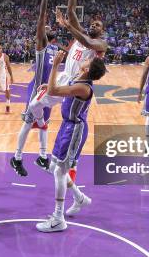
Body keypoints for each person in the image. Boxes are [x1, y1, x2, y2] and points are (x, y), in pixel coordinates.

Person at [25, 0, 107, 171]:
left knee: (71, 123)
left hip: (77, 84)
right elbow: (70, 13)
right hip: (64, 78)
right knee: (34, 104)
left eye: (98, 24)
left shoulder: (101, 44)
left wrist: (68, 26)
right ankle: (42, 125)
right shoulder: (81, 33)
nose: (94, 25)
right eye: (93, 23)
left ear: (102, 30)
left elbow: (87, 42)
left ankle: (69, 165)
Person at [36, 51, 106, 233]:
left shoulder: (84, 88)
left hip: (74, 129)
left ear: (88, 68)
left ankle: (58, 218)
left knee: (60, 171)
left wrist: (55, 65)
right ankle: (79, 197)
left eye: (88, 60)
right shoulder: (78, 78)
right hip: (66, 126)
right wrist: (47, 84)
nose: (85, 59)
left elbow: (54, 91)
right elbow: (58, 89)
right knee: (53, 167)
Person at [10, 0, 59, 176]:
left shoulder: (56, 48)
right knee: (29, 124)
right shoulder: (42, 45)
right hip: (36, 91)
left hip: (49, 91)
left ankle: (42, 157)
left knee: (44, 125)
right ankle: (17, 158)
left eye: (48, 27)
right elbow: (41, 17)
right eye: (44, 27)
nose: (46, 27)